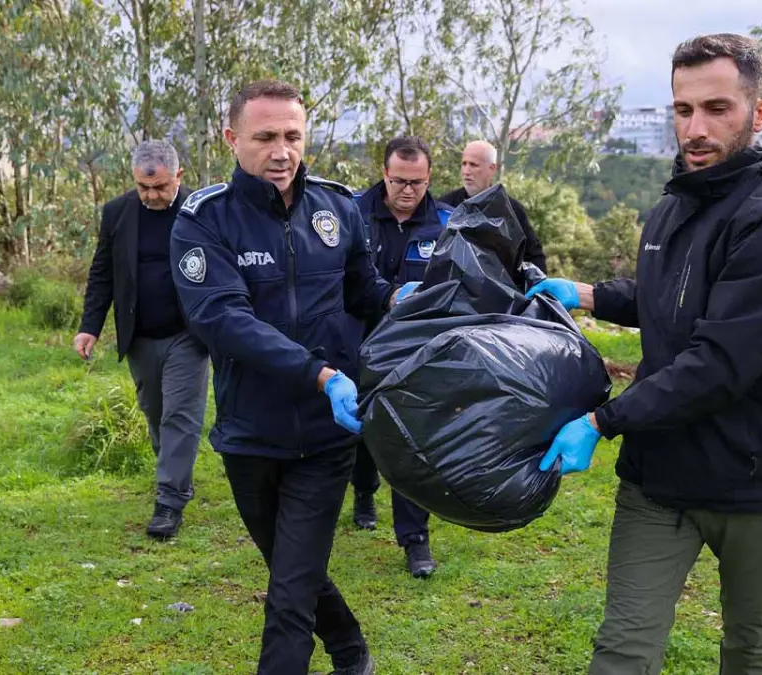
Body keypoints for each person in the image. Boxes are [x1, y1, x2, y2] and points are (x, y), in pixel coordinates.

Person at [527, 34, 762, 675]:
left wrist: (600, 422)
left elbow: (719, 362)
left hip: (751, 480)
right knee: (622, 651)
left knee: (748, 649)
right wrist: (587, 294)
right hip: (659, 477)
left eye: (717, 108)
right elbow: (670, 299)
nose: (695, 129)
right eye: (682, 109)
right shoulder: (679, 201)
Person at [170, 80, 404, 675]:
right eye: (266, 137)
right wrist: (320, 374)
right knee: (292, 570)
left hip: (327, 437)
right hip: (251, 434)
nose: (282, 151)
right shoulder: (204, 220)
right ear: (232, 138)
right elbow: (222, 319)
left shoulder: (337, 208)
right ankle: (350, 647)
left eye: (293, 136)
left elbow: (363, 292)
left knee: (288, 599)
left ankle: (339, 657)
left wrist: (405, 296)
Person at [74, 140, 209, 540]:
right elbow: (102, 272)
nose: (151, 196)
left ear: (178, 177)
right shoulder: (118, 212)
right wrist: (89, 326)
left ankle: (169, 501)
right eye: (143, 187)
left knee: (179, 416)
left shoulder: (201, 211)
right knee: (155, 411)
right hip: (140, 335)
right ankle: (176, 471)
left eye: (160, 188)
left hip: (188, 332)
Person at [348, 136, 452, 579]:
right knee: (358, 431)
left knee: (411, 442)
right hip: (356, 341)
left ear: (429, 178)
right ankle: (364, 489)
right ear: (383, 173)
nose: (408, 191)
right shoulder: (349, 213)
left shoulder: (447, 223)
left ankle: (415, 541)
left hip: (414, 351)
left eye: (417, 183)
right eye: (398, 181)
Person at [437, 140, 546, 271]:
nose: (466, 171)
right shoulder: (445, 206)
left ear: (492, 169)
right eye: (464, 164)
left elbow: (534, 256)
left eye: (473, 165)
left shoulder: (512, 209)